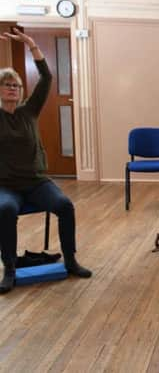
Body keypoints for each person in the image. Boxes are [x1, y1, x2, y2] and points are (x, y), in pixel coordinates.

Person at [0, 28, 91, 294]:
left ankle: (71, 260)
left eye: (15, 85)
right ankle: (10, 268)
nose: (12, 89)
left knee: (64, 205)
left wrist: (31, 45)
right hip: (6, 185)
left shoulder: (29, 111)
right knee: (5, 210)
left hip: (36, 181)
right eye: (7, 84)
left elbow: (47, 77)